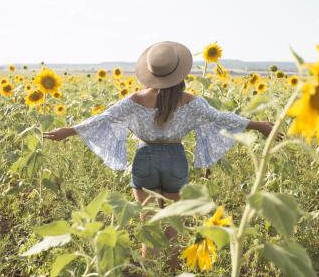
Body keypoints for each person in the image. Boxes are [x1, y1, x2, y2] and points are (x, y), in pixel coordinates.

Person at [43, 41, 280, 271]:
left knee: (149, 223)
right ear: (179, 73)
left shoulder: (135, 100)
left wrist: (69, 131)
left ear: (151, 73)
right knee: (174, 222)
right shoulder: (191, 102)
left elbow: (103, 118)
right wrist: (258, 125)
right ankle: (171, 267)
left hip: (144, 159)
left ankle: (150, 269)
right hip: (175, 160)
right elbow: (221, 118)